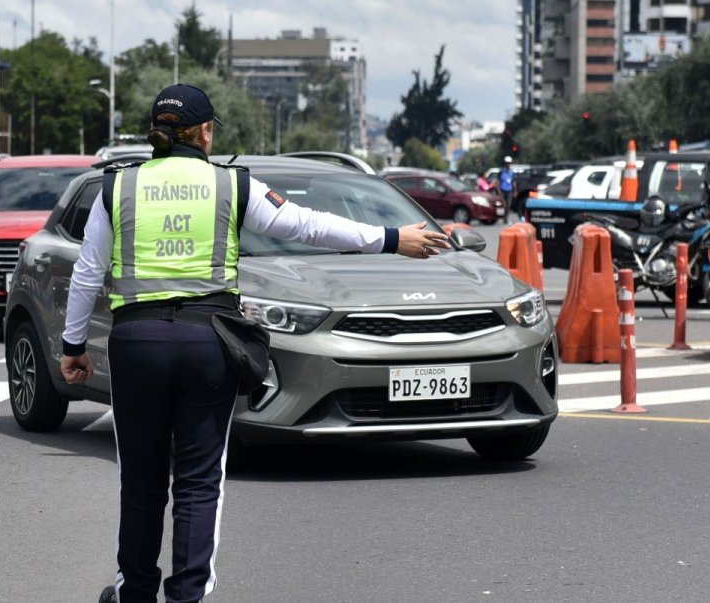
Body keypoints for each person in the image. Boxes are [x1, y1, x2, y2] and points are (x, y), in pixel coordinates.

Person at [59, 84, 451, 603]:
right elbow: (307, 227)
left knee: (141, 479)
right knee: (199, 481)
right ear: (204, 133)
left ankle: (134, 594)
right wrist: (391, 239)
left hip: (137, 342)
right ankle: (187, 597)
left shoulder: (119, 186)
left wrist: (73, 345)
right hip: (207, 342)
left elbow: (88, 273)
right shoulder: (231, 185)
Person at [499, 156, 516, 221]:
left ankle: (506, 217)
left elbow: (513, 181)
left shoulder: (512, 172)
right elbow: (499, 181)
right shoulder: (501, 171)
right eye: (507, 163)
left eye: (509, 163)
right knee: (504, 204)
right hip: (503, 190)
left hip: (509, 190)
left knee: (508, 204)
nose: (508, 164)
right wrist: (499, 191)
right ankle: (503, 216)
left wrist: (515, 191)